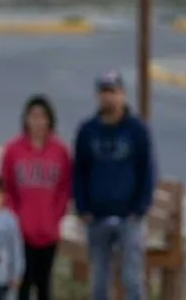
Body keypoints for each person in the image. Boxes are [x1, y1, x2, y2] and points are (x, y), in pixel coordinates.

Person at [72, 70, 156, 300]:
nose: (109, 97)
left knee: (132, 279)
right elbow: (79, 171)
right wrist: (83, 209)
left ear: (123, 95)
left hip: (129, 218)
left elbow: (147, 170)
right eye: (104, 92)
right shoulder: (87, 131)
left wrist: (140, 210)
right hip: (97, 217)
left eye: (113, 92)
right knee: (99, 280)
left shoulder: (137, 130)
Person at [0, 95, 71, 300]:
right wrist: (15, 218)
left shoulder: (60, 151)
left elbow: (65, 189)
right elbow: (7, 187)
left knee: (44, 284)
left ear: (50, 120)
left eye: (43, 117)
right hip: (21, 230)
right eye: (33, 116)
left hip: (49, 231)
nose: (38, 121)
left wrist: (55, 217)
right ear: (26, 119)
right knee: (23, 282)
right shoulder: (14, 150)